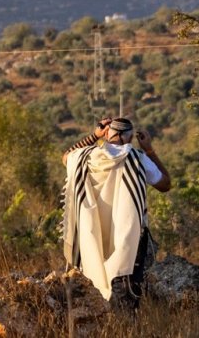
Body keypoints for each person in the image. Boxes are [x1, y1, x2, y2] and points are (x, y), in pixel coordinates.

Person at [62, 117, 171, 311]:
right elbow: (165, 184)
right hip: (128, 231)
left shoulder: (85, 156)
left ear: (107, 133)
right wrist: (149, 150)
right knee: (127, 281)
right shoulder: (137, 157)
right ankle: (125, 323)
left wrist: (94, 135)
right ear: (130, 137)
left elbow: (66, 157)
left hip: (91, 230)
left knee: (90, 274)